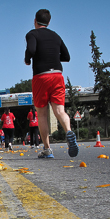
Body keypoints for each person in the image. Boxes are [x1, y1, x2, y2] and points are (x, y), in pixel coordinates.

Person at [24, 9, 78, 158]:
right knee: (60, 111)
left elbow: (31, 49)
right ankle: (68, 131)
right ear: (49, 22)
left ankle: (47, 150)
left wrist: (27, 59)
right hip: (57, 76)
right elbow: (66, 56)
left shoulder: (32, 34)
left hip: (41, 77)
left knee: (41, 114)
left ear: (35, 21)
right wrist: (52, 54)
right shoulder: (56, 36)